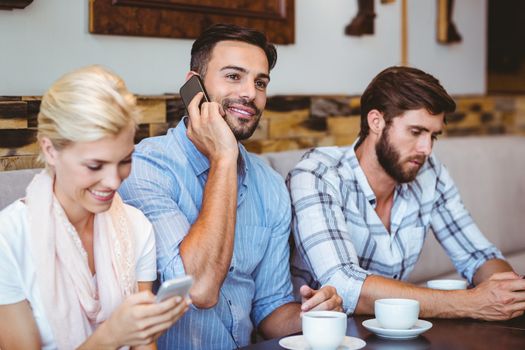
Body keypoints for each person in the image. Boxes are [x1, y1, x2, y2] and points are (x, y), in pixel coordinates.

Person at [118, 24, 342, 349]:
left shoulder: (270, 184)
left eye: (260, 82)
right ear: (194, 86)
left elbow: (269, 311)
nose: (251, 93)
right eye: (234, 76)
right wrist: (224, 159)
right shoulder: (145, 168)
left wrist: (312, 314)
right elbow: (199, 289)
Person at [288, 66, 525, 321]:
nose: (426, 149)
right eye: (416, 132)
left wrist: (507, 294)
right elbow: (344, 283)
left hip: (392, 330)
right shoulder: (318, 174)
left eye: (434, 136)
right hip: (314, 335)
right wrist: (469, 303)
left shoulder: (429, 173)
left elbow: (479, 256)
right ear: (375, 121)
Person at [0, 66, 190, 350]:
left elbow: (144, 346)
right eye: (94, 165)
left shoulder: (136, 226)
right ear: (50, 150)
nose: (114, 182)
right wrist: (111, 337)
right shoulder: (9, 239)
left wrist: (149, 328)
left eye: (125, 160)